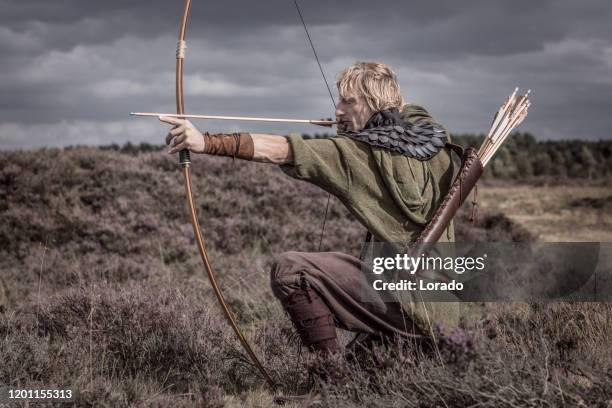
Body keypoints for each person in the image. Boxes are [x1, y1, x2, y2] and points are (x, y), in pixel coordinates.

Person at [161, 61, 462, 356]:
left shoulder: (355, 155)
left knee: (291, 269)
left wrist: (206, 142)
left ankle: (330, 377)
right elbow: (411, 113)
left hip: (411, 305)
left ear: (373, 103)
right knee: (366, 365)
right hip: (445, 309)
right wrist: (358, 125)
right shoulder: (435, 142)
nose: (338, 109)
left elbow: (284, 150)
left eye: (348, 101)